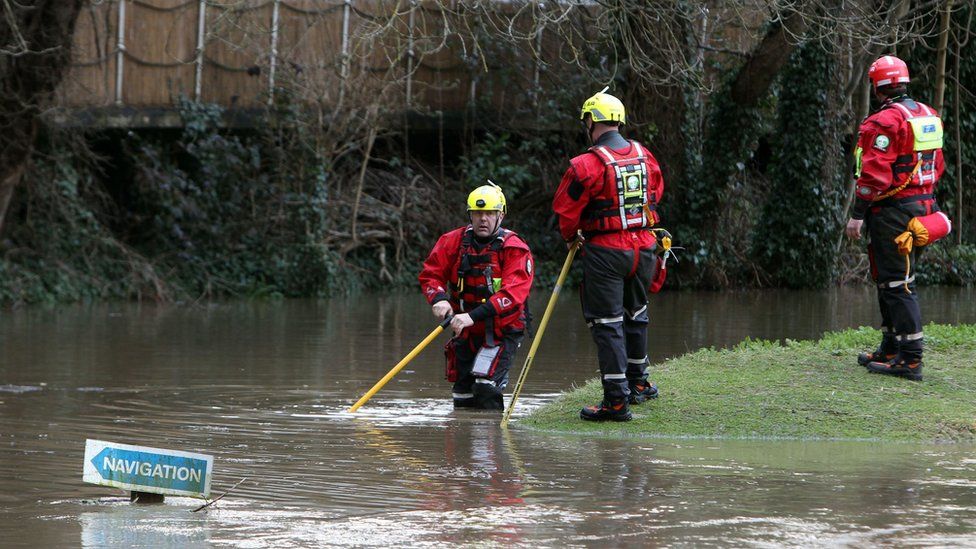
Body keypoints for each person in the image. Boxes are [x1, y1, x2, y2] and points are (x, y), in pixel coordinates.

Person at [552, 88, 666, 421]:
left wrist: (572, 238)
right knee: (637, 314)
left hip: (605, 251)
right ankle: (639, 383)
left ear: (591, 121)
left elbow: (566, 210)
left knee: (608, 325)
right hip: (645, 247)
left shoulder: (585, 165)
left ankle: (616, 401)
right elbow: (657, 192)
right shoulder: (646, 155)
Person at [845, 55, 946, 382]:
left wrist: (857, 216)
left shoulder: (884, 122)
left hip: (894, 213)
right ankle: (891, 348)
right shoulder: (928, 115)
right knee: (889, 280)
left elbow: (874, 176)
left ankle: (910, 359)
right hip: (923, 208)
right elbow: (938, 167)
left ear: (876, 87)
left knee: (897, 283)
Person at [418, 183, 534, 410]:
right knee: (462, 394)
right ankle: (462, 437)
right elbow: (431, 275)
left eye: (489, 213)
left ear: (501, 215)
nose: (483, 219)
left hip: (502, 330)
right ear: (470, 215)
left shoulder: (514, 248)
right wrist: (439, 299)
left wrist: (472, 316)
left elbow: (513, 294)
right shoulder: (452, 242)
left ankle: (488, 440)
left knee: (484, 384)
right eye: (478, 213)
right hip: (465, 330)